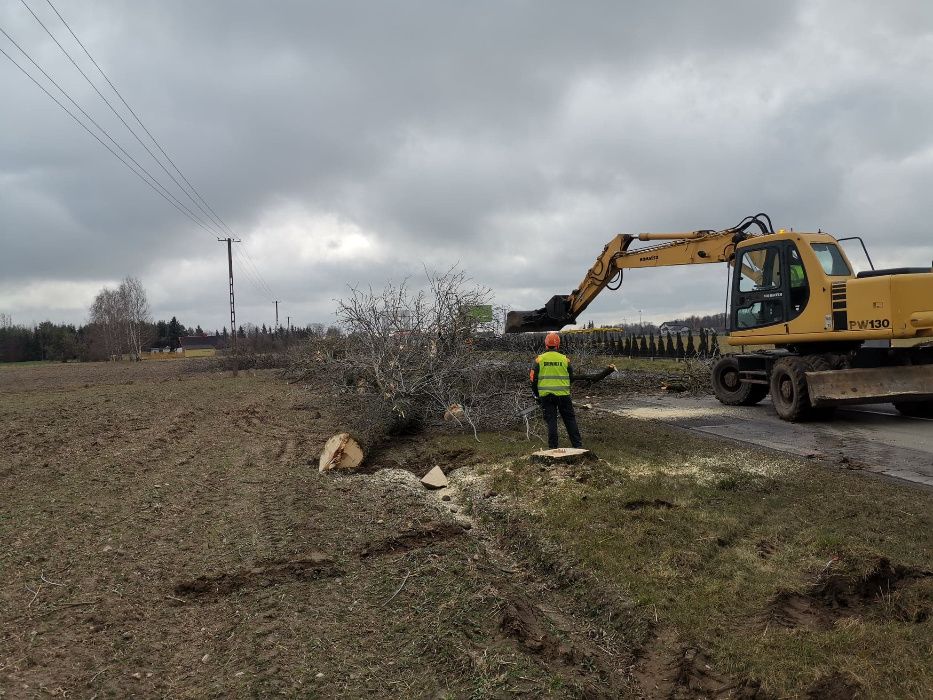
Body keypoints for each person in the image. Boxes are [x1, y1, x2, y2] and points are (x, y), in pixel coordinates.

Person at [529, 332, 583, 449]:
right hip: (563, 395)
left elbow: (533, 379)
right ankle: (577, 446)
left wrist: (536, 395)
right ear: (558, 345)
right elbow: (571, 378)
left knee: (551, 421)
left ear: (546, 345)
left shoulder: (539, 360)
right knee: (570, 420)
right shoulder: (565, 360)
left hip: (546, 396)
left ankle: (553, 448)